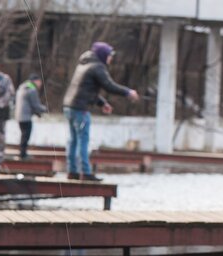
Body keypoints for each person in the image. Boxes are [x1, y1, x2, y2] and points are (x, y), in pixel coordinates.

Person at [63, 41, 139, 181]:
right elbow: (109, 86)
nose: (111, 58)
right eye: (110, 55)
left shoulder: (84, 64)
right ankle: (86, 173)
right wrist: (128, 92)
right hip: (81, 109)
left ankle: (72, 171)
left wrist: (102, 103)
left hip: (69, 107)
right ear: (103, 55)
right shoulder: (97, 67)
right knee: (83, 141)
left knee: (73, 140)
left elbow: (86, 90)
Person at [14, 73, 47, 160]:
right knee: (26, 136)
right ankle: (23, 154)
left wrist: (37, 113)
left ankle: (22, 153)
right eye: (39, 81)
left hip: (19, 116)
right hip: (26, 117)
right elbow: (35, 105)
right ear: (35, 81)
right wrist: (45, 109)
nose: (40, 84)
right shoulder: (32, 90)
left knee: (23, 135)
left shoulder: (22, 87)